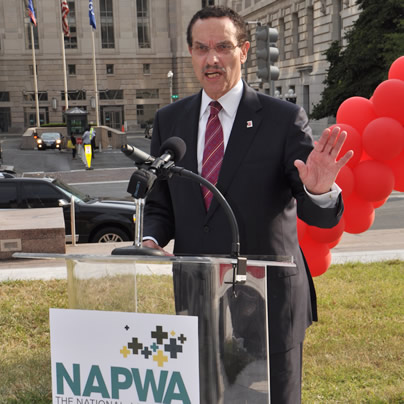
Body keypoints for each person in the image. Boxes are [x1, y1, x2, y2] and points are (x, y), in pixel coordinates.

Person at [142, 5, 353, 403]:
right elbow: (161, 206)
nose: (212, 59)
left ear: (243, 51)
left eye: (223, 46)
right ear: (191, 53)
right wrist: (151, 239)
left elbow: (316, 215)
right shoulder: (169, 120)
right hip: (198, 298)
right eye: (201, 48)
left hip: (269, 303)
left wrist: (319, 190)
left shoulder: (283, 118)